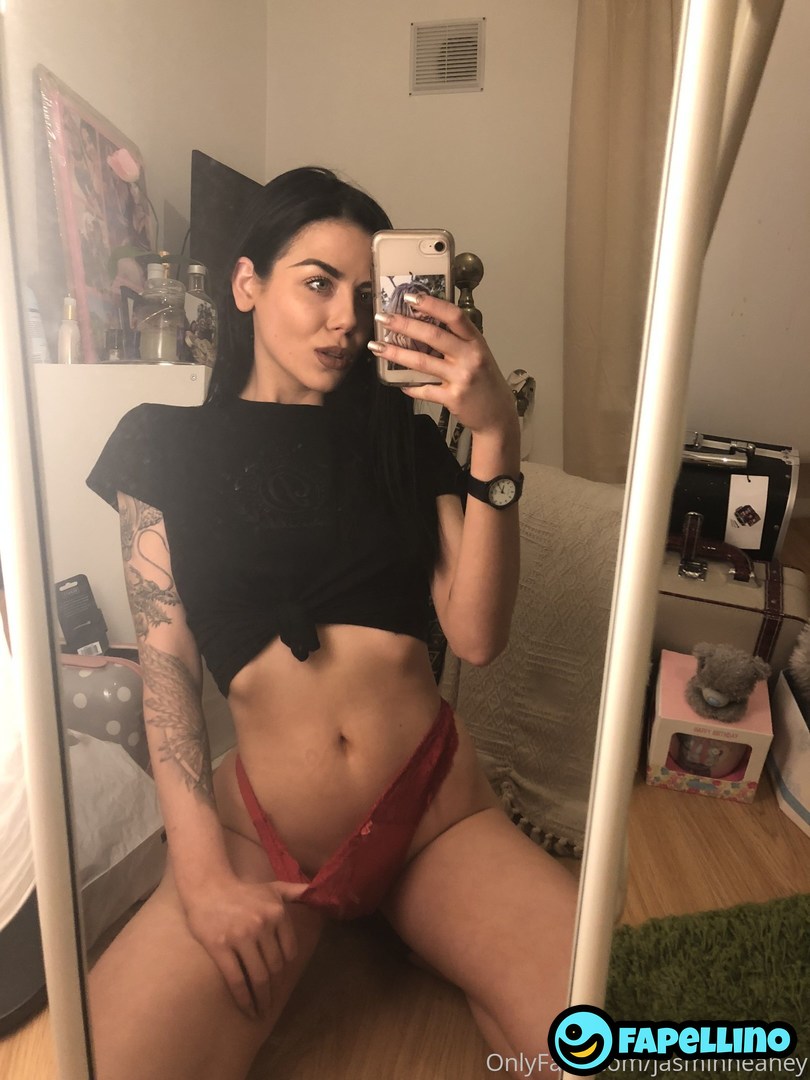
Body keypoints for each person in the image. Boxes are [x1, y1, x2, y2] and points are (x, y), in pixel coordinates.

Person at [85, 166, 577, 1080]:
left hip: (434, 817)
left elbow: (476, 637)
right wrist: (201, 876)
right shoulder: (161, 445)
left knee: (609, 1043)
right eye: (317, 283)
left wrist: (497, 437)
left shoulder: (404, 439)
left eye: (364, 294)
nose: (345, 320)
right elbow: (165, 668)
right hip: (262, 835)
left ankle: (455, 952)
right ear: (247, 283)